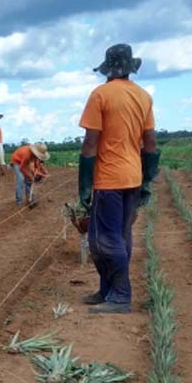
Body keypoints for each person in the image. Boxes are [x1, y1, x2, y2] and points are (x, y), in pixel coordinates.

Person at [78, 44, 160, 314]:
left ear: (107, 70)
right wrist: (146, 180)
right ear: (129, 68)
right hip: (133, 177)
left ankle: (121, 296)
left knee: (104, 239)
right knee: (120, 235)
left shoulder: (100, 95)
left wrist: (85, 185)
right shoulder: (143, 96)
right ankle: (107, 290)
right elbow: (150, 142)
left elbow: (91, 143)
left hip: (109, 179)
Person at [9, 142, 50, 207]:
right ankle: (18, 201)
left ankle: (29, 198)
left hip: (23, 162)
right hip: (16, 161)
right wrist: (30, 176)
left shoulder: (34, 156)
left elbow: (36, 166)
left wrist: (30, 177)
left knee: (29, 180)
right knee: (21, 180)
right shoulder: (27, 155)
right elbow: (22, 168)